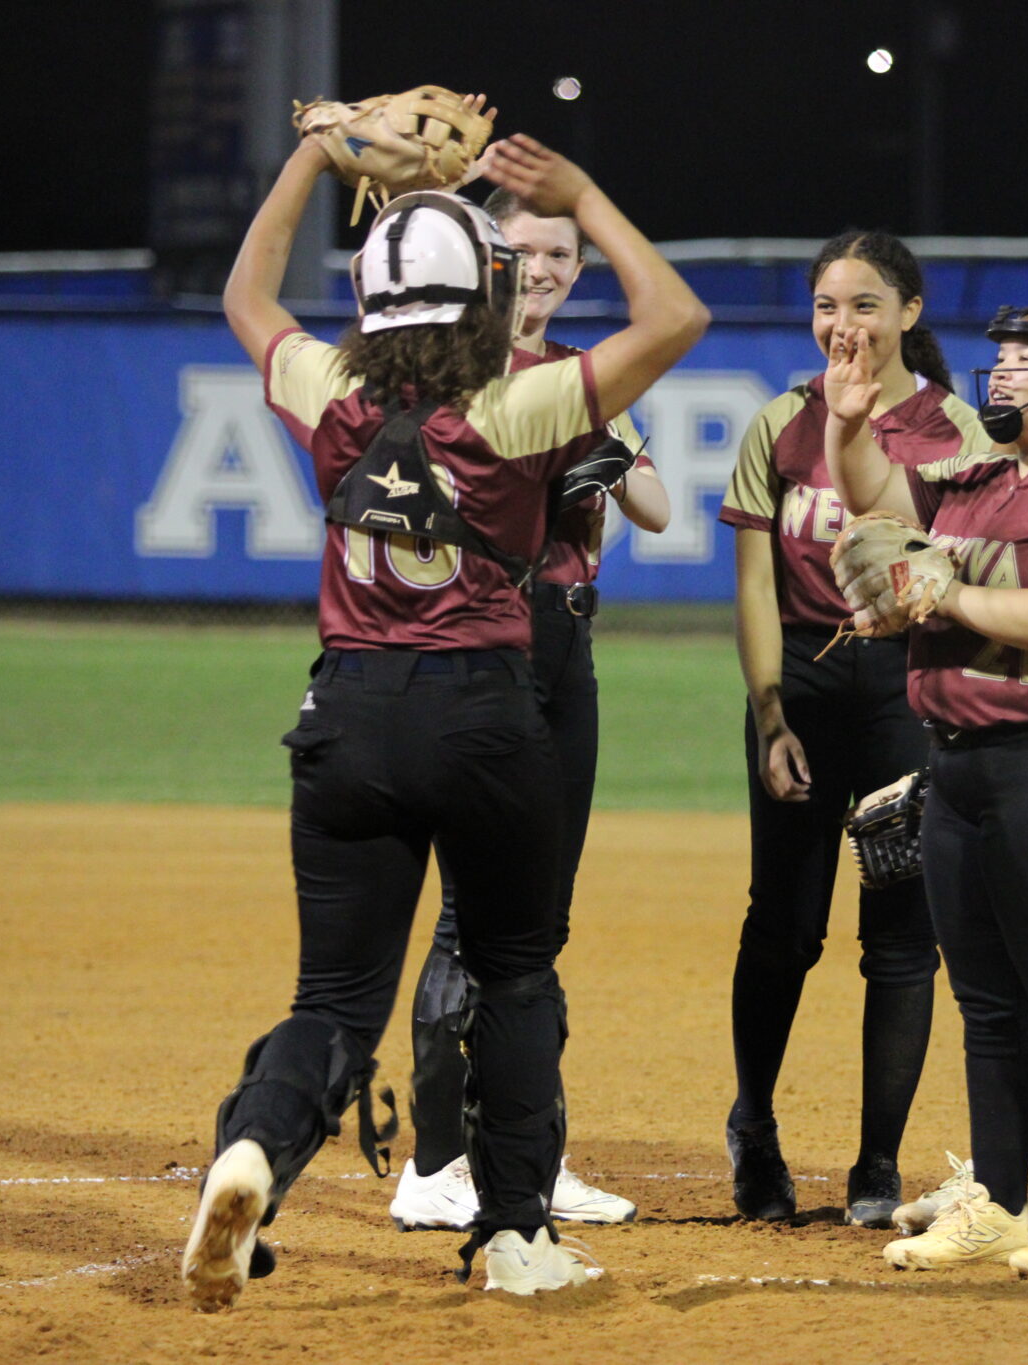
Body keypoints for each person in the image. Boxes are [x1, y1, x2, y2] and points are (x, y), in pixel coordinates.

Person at [181, 126, 708, 1308]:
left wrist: (312, 161)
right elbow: (676, 320)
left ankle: (255, 1148)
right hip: (484, 715)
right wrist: (585, 194)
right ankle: (518, 1234)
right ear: (492, 287)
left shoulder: (331, 390)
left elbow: (244, 293)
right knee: (516, 975)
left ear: (369, 292)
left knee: (333, 1000)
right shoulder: (518, 406)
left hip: (348, 714)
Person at [826, 307, 1028, 1279]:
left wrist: (950, 599)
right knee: (984, 1001)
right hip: (961, 763)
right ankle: (1001, 1204)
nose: (1001, 375)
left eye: (1027, 363)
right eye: (999, 359)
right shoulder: (974, 481)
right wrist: (847, 426)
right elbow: (879, 505)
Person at [389, 183, 672, 1234]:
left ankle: (528, 1154)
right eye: (525, 251)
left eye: (561, 254)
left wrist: (604, 450)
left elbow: (654, 505)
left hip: (566, 645)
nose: (545, 268)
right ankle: (432, 1161)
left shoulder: (585, 377)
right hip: (483, 643)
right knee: (471, 916)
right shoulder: (445, 369)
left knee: (536, 925)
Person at [715, 231, 982, 1227]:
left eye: (864, 303)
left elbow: (954, 580)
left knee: (900, 935)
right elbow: (752, 588)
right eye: (827, 304)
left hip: (907, 694)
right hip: (804, 688)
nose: (842, 324)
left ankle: (877, 1164)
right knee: (781, 926)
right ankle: (756, 1129)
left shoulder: (957, 430)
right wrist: (768, 713)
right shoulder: (779, 422)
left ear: (910, 311)